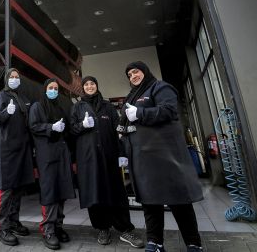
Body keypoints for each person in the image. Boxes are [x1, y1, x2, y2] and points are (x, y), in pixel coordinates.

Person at [118, 61, 204, 252]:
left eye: (136, 72)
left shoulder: (160, 87)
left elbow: (169, 111)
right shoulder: (132, 97)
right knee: (150, 203)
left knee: (179, 201)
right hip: (143, 160)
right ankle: (155, 242)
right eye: (129, 75)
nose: (133, 76)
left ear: (145, 72)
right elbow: (126, 128)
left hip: (166, 158)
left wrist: (139, 113)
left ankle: (193, 244)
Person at [69, 76, 144, 248]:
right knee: (95, 193)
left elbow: (118, 129)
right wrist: (82, 125)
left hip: (109, 158)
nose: (89, 86)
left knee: (117, 193)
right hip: (88, 159)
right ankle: (102, 228)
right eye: (86, 84)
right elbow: (71, 131)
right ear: (82, 88)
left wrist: (122, 152)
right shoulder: (77, 107)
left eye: (92, 84)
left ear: (96, 86)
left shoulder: (107, 106)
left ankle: (125, 229)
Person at [28, 78, 76, 250]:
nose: (53, 91)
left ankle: (58, 226)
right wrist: (50, 127)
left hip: (62, 154)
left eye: (56, 88)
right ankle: (48, 229)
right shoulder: (37, 106)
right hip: (46, 154)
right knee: (50, 191)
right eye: (51, 88)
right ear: (45, 89)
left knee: (61, 190)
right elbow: (33, 126)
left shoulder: (59, 108)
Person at [0, 68, 34, 246]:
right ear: (7, 79)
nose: (15, 79)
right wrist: (5, 113)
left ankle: (13, 221)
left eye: (18, 77)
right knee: (7, 188)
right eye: (12, 77)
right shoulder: (1, 97)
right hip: (7, 149)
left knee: (18, 187)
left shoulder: (23, 98)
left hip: (22, 149)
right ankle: (2, 228)